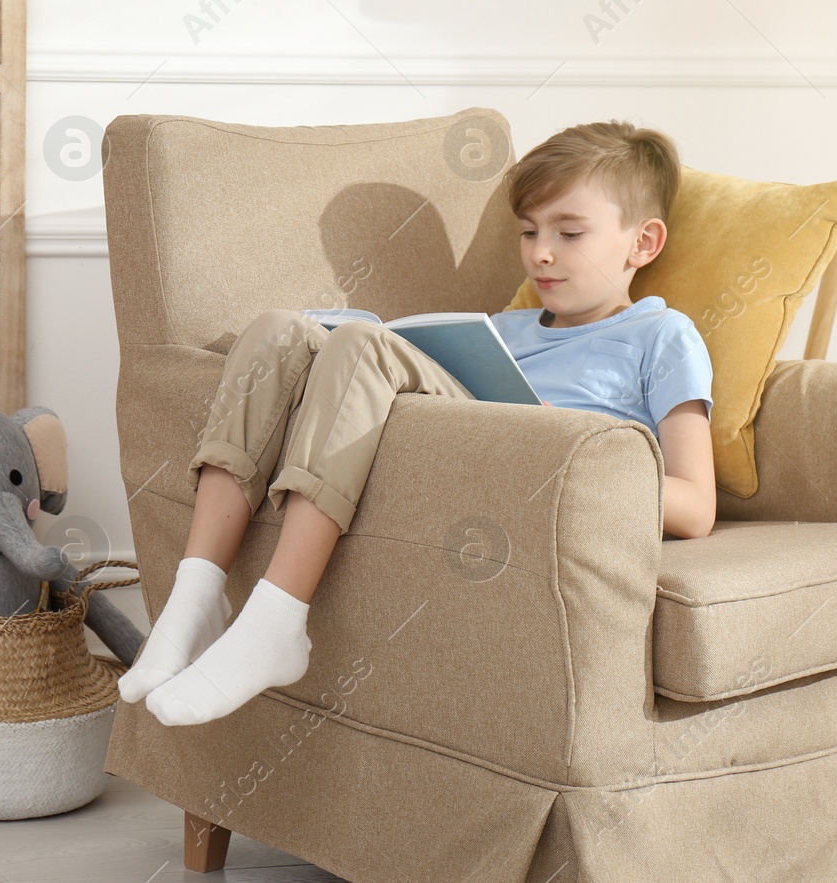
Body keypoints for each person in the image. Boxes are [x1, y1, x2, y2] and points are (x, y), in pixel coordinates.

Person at [116, 120, 716, 726]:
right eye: (529, 231)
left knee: (364, 345)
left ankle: (277, 620)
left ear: (643, 243)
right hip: (452, 447)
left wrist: (579, 453)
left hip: (544, 483)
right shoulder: (502, 331)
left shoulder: (661, 335)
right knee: (277, 330)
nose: (541, 252)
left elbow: (697, 506)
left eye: (570, 232)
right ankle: (193, 601)